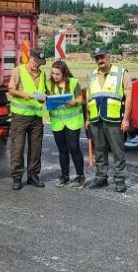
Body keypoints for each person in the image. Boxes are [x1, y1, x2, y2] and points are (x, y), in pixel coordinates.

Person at [86, 48, 133, 193]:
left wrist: (126, 119)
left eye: (102, 57)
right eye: (97, 58)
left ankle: (119, 179)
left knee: (118, 151)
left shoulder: (121, 73)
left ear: (109, 57)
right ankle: (101, 178)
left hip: (113, 119)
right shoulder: (91, 75)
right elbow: (89, 97)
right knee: (99, 150)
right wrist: (88, 118)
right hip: (96, 119)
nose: (100, 60)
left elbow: (129, 97)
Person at [7, 47, 47, 190]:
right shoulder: (18, 71)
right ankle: (17, 178)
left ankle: (33, 176)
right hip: (20, 117)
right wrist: (25, 95)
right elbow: (11, 90)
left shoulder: (42, 74)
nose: (37, 64)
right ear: (29, 57)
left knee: (36, 149)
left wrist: (44, 99)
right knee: (18, 148)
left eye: (40, 62)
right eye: (36, 60)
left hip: (36, 117)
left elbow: (43, 92)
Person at [47, 60, 86, 188]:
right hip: (57, 122)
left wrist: (74, 102)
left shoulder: (74, 83)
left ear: (64, 74)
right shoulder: (49, 85)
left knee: (74, 148)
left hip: (72, 121)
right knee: (62, 150)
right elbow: (46, 99)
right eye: (53, 73)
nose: (54, 76)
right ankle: (65, 176)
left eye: (57, 74)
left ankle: (80, 176)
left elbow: (80, 98)